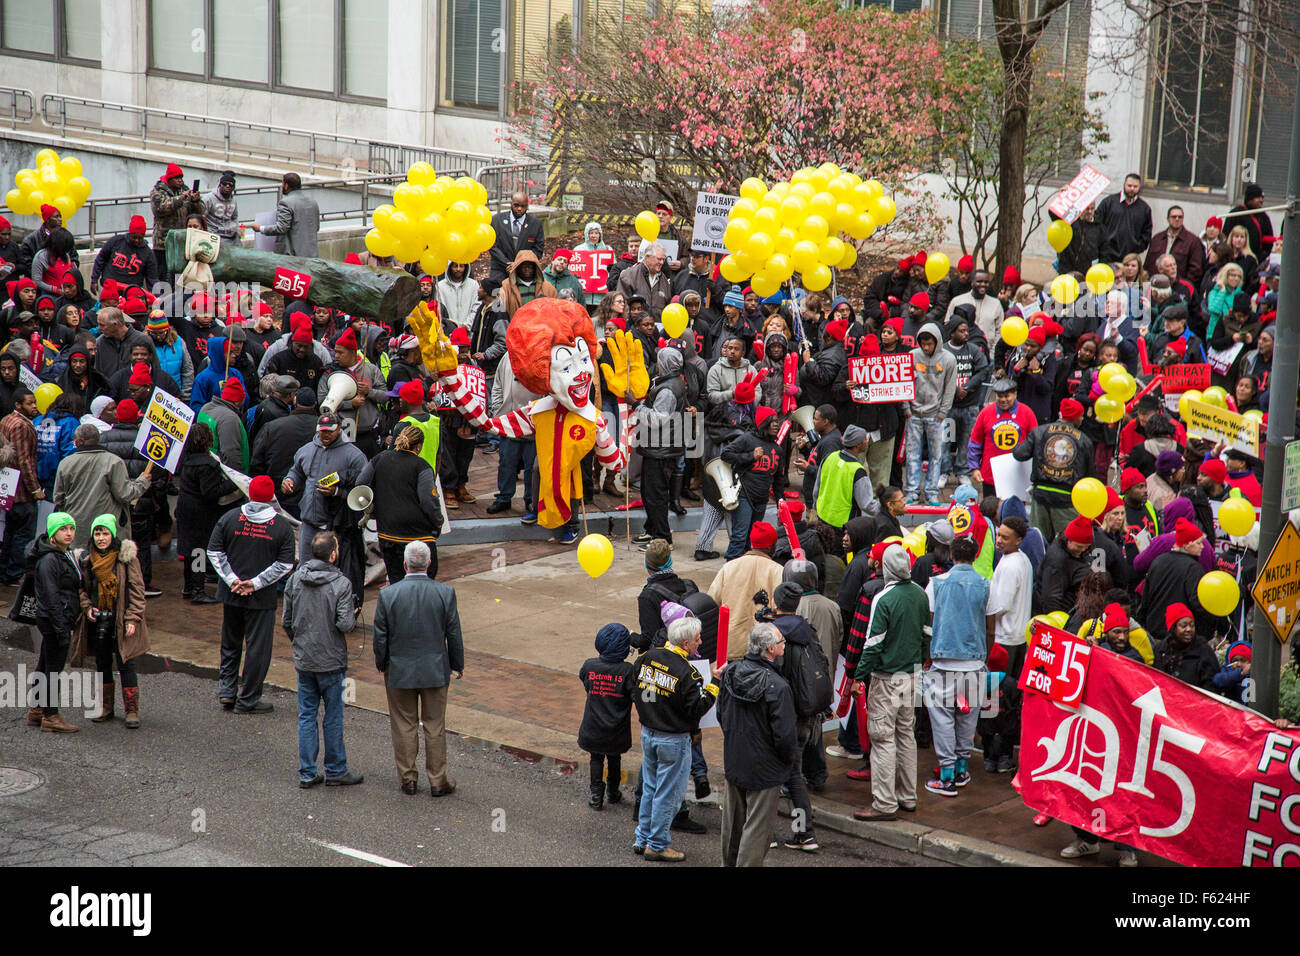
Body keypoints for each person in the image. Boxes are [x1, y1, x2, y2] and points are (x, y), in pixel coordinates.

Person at [373, 540, 464, 797]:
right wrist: (457, 664)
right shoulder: (445, 593)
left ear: (404, 564)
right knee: (435, 725)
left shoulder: (388, 595)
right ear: (429, 563)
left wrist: (382, 662)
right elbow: (453, 633)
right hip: (435, 670)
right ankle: (438, 780)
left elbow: (381, 636)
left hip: (399, 669)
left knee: (404, 724)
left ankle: (408, 778)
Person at [632, 616, 720, 861]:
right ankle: (657, 844)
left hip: (648, 734)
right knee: (668, 794)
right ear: (684, 643)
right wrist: (715, 685)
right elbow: (697, 708)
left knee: (650, 788)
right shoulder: (688, 673)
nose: (700, 643)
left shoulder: (647, 658)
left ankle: (642, 838)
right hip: (673, 741)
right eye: (697, 639)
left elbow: (632, 687)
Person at [851, 543, 928, 821]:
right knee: (906, 734)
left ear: (886, 568)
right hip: (912, 676)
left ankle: (884, 803)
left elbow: (872, 645)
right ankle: (908, 797)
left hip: (886, 679)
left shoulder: (884, 598)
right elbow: (926, 635)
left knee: (882, 738)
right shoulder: (920, 594)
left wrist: (859, 677)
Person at [207, 474, 297, 713]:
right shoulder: (281, 527)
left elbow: (214, 552)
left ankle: (227, 691)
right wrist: (255, 583)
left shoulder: (229, 518)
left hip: (232, 594)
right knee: (258, 649)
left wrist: (233, 580)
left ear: (249, 493)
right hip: (261, 599)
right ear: (271, 498)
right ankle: (248, 699)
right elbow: (285, 564)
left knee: (230, 642)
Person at [282, 530, 364, 788]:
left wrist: (300, 642)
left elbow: (287, 621)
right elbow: (346, 624)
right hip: (331, 661)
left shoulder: (295, 580)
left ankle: (307, 773)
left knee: (307, 715)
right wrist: (353, 611)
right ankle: (336, 770)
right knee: (333, 717)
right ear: (332, 554)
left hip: (304, 659)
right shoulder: (341, 584)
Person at [716, 620, 798, 867]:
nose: (784, 645)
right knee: (757, 829)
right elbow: (784, 735)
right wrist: (788, 760)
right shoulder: (779, 687)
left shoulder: (730, 673)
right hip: (765, 767)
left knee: (733, 823)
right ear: (770, 649)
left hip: (735, 758)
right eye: (781, 642)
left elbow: (722, 713)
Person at [67, 514, 148, 728]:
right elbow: (83, 590)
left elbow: (137, 591)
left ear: (113, 535)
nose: (101, 538)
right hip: (98, 621)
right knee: (102, 664)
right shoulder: (87, 559)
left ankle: (131, 711)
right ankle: (106, 708)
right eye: (97, 533)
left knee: (126, 663)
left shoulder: (126, 558)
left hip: (121, 620)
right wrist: (87, 608)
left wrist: (132, 618)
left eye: (105, 533)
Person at [923, 535, 989, 797]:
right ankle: (962, 769)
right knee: (967, 718)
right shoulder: (986, 585)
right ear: (974, 556)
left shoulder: (936, 584)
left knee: (942, 720)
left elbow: (930, 621)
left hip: (942, 660)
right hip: (974, 661)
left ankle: (947, 775)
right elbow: (990, 625)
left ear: (951, 556)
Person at [768, 582, 827, 852]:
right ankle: (804, 834)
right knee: (793, 777)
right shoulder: (808, 631)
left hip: (783, 718)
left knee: (769, 775)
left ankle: (766, 832)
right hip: (807, 718)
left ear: (777, 603)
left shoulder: (776, 634)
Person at [358, 424, 444, 583]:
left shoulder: (379, 459)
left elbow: (361, 484)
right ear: (418, 446)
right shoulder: (422, 466)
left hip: (387, 535)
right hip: (418, 537)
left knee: (396, 580)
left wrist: (375, 510)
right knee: (425, 581)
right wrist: (438, 523)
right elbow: (428, 501)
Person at [25, 512, 84, 732]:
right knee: (53, 670)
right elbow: (51, 597)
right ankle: (50, 716)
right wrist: (62, 628)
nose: (69, 533)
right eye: (63, 529)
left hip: (56, 619)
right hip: (55, 621)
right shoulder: (50, 560)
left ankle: (37, 710)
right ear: (52, 533)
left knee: (44, 664)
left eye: (71, 528)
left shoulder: (62, 553)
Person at [52, 423, 154, 550]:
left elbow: (58, 498)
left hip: (77, 530)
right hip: (107, 530)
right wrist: (142, 482)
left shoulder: (65, 463)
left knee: (80, 566)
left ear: (78, 442)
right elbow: (125, 494)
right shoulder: (114, 461)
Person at [984, 514, 1032, 770]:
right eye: (998, 535)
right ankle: (1002, 755)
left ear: (1019, 540)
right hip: (1015, 639)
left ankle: (995, 755)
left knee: (996, 701)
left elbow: (999, 605)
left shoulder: (1011, 565)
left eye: (1005, 537)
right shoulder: (1019, 560)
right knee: (1009, 701)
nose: (999, 540)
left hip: (1003, 642)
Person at [1012, 401, 1094, 543]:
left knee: (1038, 542)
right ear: (1074, 417)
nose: (1082, 419)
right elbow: (1091, 478)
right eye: (1081, 416)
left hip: (1040, 496)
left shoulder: (1039, 432)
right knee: (1069, 543)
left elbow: (1019, 454)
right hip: (1067, 499)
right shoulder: (1085, 440)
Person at [176, 422, 239, 603]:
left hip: (184, 508)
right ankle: (198, 590)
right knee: (198, 551)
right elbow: (210, 492)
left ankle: (188, 586)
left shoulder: (186, 460)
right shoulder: (208, 464)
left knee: (188, 549)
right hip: (200, 513)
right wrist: (232, 483)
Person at [578, 623, 636, 810]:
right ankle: (613, 792)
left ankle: (596, 796)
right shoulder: (627, 671)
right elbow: (635, 695)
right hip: (616, 728)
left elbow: (586, 682)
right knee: (614, 758)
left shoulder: (589, 666)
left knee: (596, 758)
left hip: (592, 725)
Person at [707, 522, 785, 656]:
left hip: (732, 644)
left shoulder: (729, 568)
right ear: (772, 546)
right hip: (766, 647)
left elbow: (712, 601)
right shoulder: (779, 571)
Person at [905, 322, 957, 506]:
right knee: (912, 455)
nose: (926, 348)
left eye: (929, 344)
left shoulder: (949, 359)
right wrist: (907, 410)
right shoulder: (911, 356)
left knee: (936, 455)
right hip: (913, 413)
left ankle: (932, 492)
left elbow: (950, 388)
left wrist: (942, 413)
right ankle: (911, 491)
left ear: (937, 342)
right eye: (923, 344)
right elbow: (904, 383)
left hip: (936, 415)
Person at [0, 387, 43, 584]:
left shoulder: (6, 420)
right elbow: (24, 460)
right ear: (18, 405)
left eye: (34, 402)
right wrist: (35, 489)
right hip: (21, 490)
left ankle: (5, 569)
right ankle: (14, 573)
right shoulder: (21, 426)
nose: (34, 406)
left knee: (10, 530)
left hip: (8, 487)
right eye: (30, 403)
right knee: (22, 534)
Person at [149, 163, 205, 277]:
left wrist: (196, 201)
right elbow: (160, 209)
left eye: (181, 178)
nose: (180, 181)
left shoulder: (185, 189)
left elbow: (200, 211)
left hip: (182, 242)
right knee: (163, 275)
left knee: (181, 276)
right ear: (169, 179)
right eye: (177, 178)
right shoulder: (158, 191)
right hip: (163, 243)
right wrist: (181, 199)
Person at [251, 172, 320, 257]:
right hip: (312, 254)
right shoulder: (313, 202)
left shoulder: (285, 203)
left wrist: (260, 228)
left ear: (286, 185)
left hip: (293, 257)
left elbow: (281, 228)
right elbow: (316, 227)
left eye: (282, 183)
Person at [1037, 516, 1095, 613]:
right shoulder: (1057, 560)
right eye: (1079, 547)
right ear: (1069, 540)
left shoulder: (1081, 550)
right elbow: (1051, 598)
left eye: (1086, 547)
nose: (1083, 550)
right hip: (1062, 612)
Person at [91, 216, 159, 294]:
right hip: (109, 288)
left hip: (131, 292)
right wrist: (94, 279)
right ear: (130, 233)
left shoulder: (148, 253)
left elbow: (152, 278)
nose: (136, 240)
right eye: (134, 237)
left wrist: (156, 298)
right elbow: (100, 259)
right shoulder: (116, 241)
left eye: (140, 238)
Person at [1096, 173, 1153, 261]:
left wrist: (1136, 249)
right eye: (1129, 185)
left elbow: (1146, 234)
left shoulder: (1145, 209)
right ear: (1124, 185)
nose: (1132, 189)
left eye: (1135, 186)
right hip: (1106, 256)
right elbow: (1097, 224)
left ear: (1139, 187)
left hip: (1129, 259)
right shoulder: (1109, 202)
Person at [489, 191, 545, 281]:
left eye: (523, 206)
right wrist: (507, 263)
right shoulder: (497, 220)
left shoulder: (535, 224)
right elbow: (492, 245)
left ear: (527, 206)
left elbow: (538, 249)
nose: (519, 209)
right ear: (511, 204)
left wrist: (519, 263)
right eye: (516, 205)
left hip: (525, 273)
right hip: (500, 271)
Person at [1144, 205, 1204, 285]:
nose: (1177, 219)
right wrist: (1146, 286)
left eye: (1180, 217)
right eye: (1174, 217)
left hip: (1177, 287)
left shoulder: (1193, 241)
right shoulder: (1157, 239)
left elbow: (1195, 270)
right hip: (1154, 285)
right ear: (1168, 219)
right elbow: (1148, 264)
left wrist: (1181, 287)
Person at [1227, 182, 1276, 262]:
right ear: (1250, 198)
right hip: (1235, 258)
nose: (1261, 200)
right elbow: (1226, 234)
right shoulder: (1235, 214)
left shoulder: (1264, 217)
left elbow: (1269, 240)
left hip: (1256, 260)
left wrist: (1262, 256)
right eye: (1258, 197)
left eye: (1262, 197)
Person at [204, 171, 241, 241]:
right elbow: (202, 217)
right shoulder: (208, 198)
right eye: (224, 184)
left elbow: (234, 217)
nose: (227, 186)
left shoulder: (233, 200)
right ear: (220, 185)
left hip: (230, 235)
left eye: (230, 185)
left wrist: (237, 230)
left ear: (233, 188)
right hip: (213, 235)